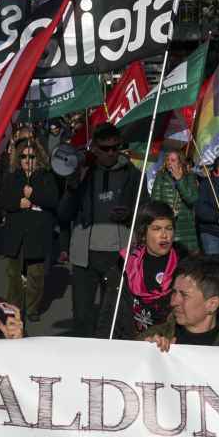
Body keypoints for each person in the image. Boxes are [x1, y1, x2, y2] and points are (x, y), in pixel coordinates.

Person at [58, 124, 140, 338]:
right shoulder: (81, 172)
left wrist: (130, 214)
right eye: (105, 148)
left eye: (115, 148)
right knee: (83, 316)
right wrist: (72, 188)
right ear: (94, 148)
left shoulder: (132, 173)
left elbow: (144, 211)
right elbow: (64, 213)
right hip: (84, 256)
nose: (111, 153)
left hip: (118, 255)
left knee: (115, 315)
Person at [0, 137, 59, 324]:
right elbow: (1, 200)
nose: (27, 160)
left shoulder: (46, 176)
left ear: (37, 157)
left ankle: (32, 308)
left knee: (36, 274)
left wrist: (34, 195)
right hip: (16, 234)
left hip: (38, 233)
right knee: (13, 274)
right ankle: (14, 308)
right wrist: (17, 202)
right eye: (23, 156)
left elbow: (53, 200)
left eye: (31, 156)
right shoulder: (12, 176)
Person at [140, 258, 219, 351]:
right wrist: (146, 354)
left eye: (184, 295)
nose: (173, 302)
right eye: (174, 292)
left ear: (212, 304)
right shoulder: (153, 337)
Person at [117, 201, 188, 340]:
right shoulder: (127, 263)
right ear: (143, 233)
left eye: (169, 228)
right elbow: (112, 310)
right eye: (156, 229)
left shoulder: (184, 266)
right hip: (132, 341)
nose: (164, 235)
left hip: (168, 342)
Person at [150, 148, 200, 251]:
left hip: (185, 227)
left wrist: (179, 180)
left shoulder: (189, 177)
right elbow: (155, 202)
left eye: (173, 160)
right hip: (166, 225)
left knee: (185, 261)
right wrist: (167, 212)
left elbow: (192, 199)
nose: (169, 163)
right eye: (168, 160)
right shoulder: (161, 176)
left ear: (180, 162)